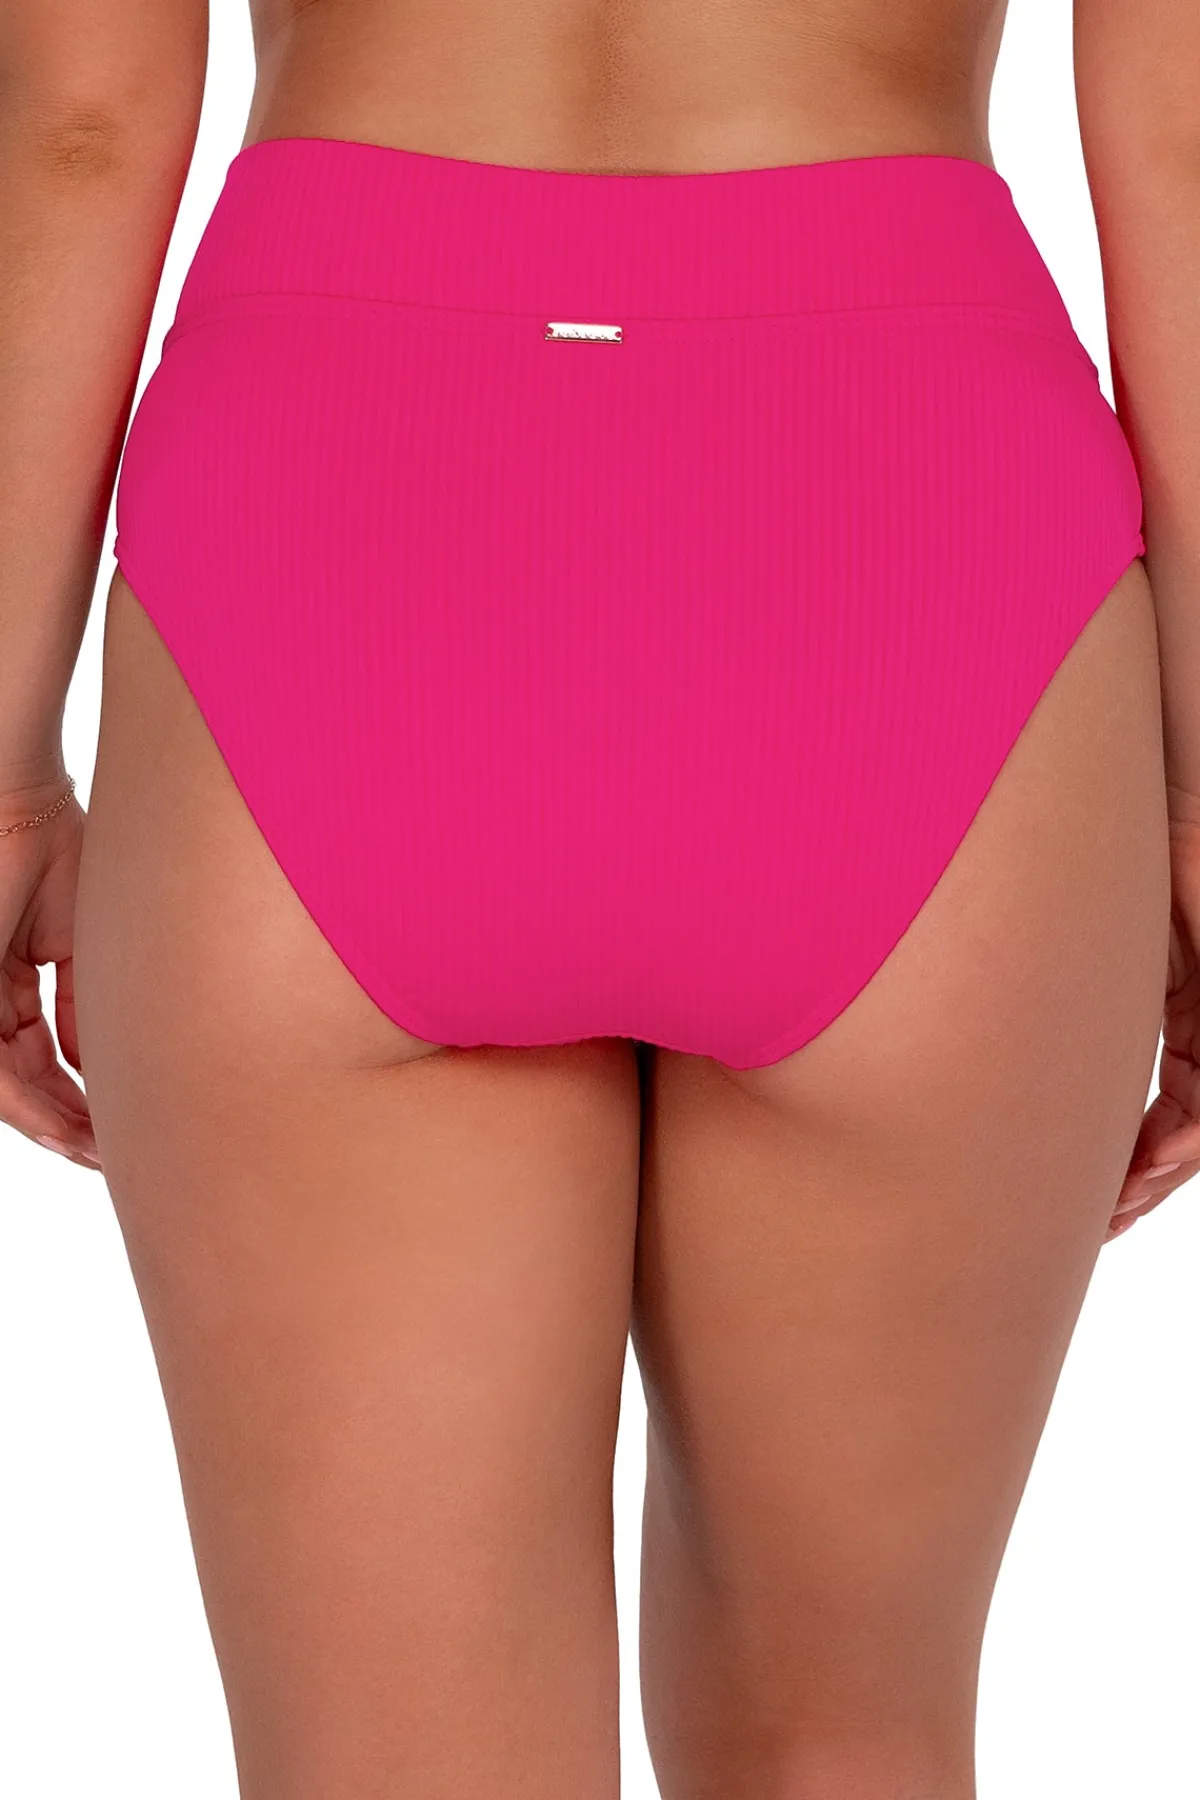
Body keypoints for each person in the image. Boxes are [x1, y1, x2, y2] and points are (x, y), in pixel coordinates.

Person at [1, 1, 1196, 1794]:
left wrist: (9, 772)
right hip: (909, 508)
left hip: (339, 519)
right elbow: (1184, 128)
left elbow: (80, 123)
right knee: (845, 1741)